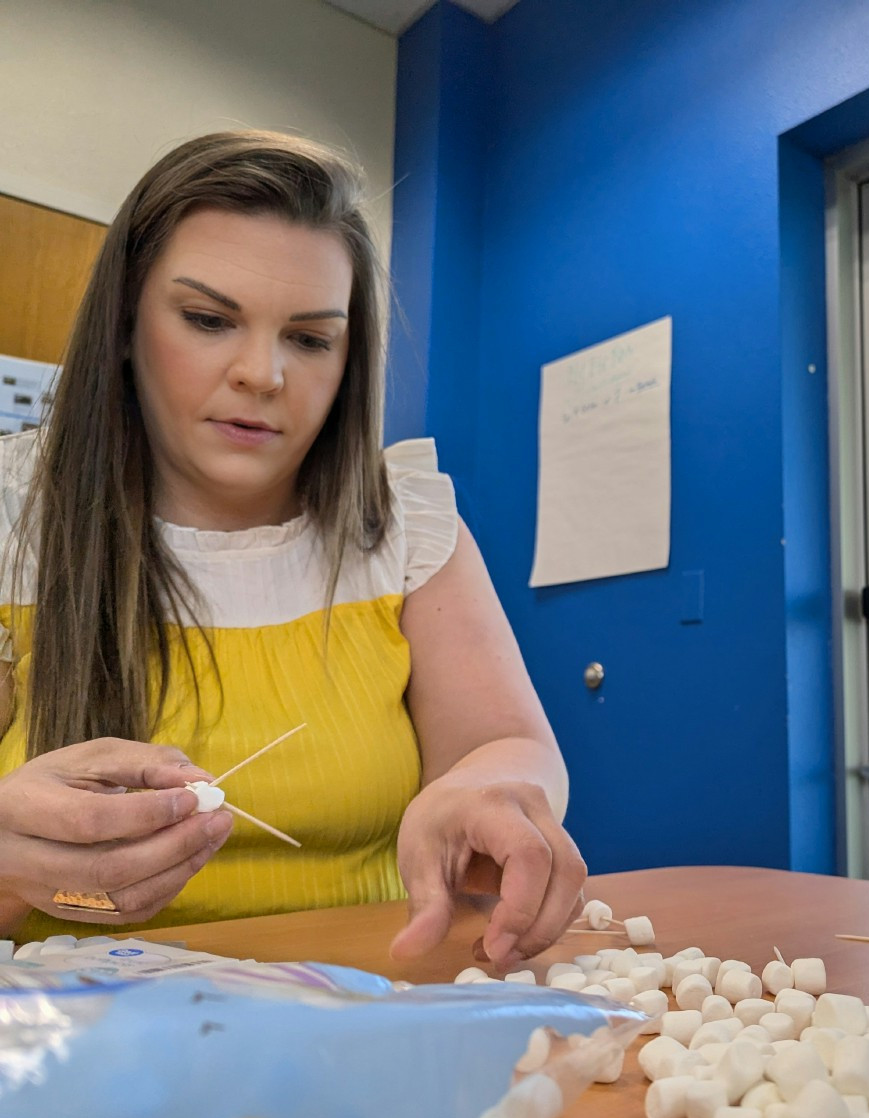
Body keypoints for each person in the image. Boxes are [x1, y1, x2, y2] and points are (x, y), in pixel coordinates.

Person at [0, 131, 584, 968]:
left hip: (365, 1020)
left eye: (310, 338)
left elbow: (509, 744)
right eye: (208, 319)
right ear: (124, 323)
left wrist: (484, 791)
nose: (263, 373)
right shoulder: (13, 516)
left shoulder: (408, 523)